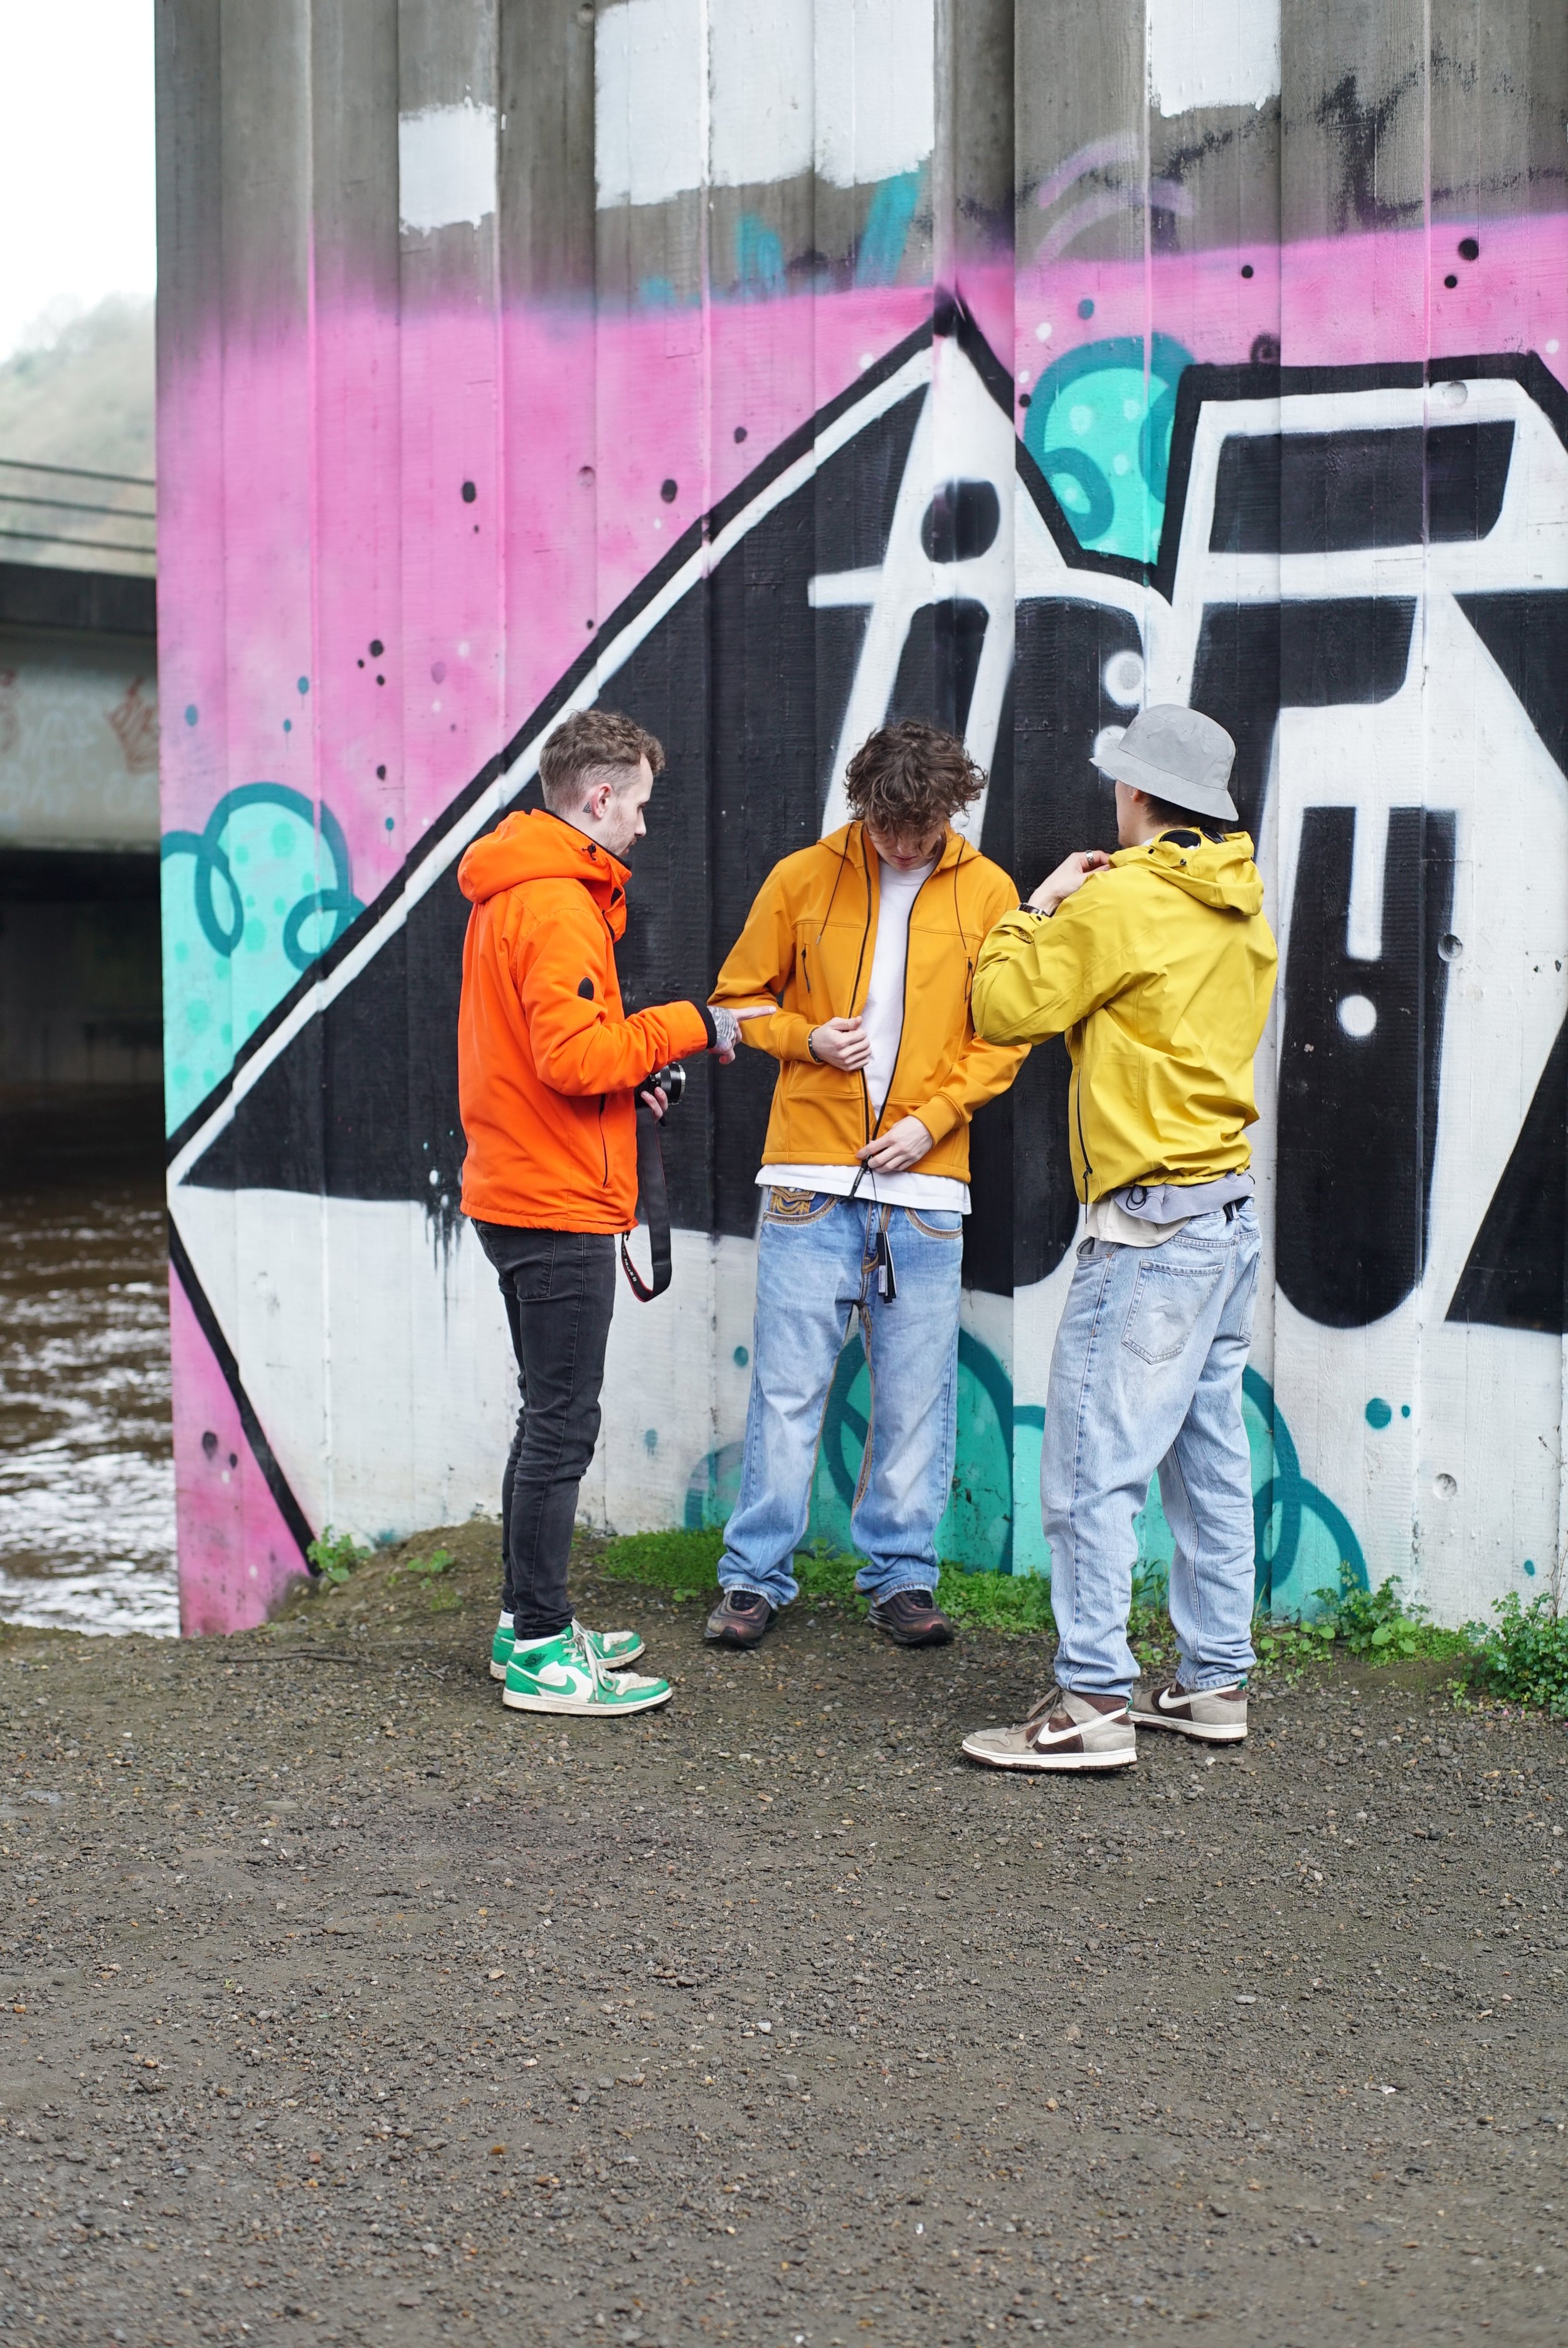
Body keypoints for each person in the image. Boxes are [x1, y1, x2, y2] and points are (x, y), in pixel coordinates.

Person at [959, 705, 1278, 1773]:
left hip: (1149, 1230)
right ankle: (1212, 1681)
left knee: (1092, 1463)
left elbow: (1002, 1006)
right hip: (1227, 1214)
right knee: (1208, 1460)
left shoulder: (1129, 895)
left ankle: (1092, 1702)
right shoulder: (1240, 896)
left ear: (1138, 797)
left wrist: (1038, 905)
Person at [704, 720, 1028, 1650]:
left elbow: (1005, 1033)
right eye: (891, 831)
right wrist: (803, 1036)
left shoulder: (992, 891)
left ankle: (900, 1580)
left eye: (923, 835)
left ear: (948, 815)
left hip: (926, 1188)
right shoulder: (802, 877)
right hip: (808, 1176)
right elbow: (734, 1000)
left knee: (916, 1395)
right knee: (789, 1389)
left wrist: (933, 1121)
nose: (904, 848)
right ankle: (754, 1579)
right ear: (864, 809)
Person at [457, 708, 738, 1718]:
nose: (646, 831)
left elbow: (561, 1060)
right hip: (553, 1204)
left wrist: (637, 1082)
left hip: (525, 1183)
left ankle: (523, 1621)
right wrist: (695, 1024)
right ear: (601, 796)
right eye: (642, 808)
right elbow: (575, 1058)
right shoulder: (560, 905)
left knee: (548, 1418)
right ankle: (539, 1647)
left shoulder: (517, 892)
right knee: (563, 1425)